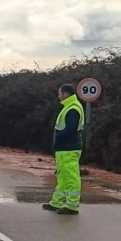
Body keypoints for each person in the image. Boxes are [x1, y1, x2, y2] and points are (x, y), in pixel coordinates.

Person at [43, 83, 85, 215]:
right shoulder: (69, 107)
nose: (58, 96)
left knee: (71, 177)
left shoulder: (73, 108)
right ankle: (56, 202)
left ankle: (72, 206)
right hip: (64, 149)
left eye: (59, 93)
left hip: (69, 148)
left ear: (66, 94)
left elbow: (70, 129)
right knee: (63, 176)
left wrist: (59, 138)